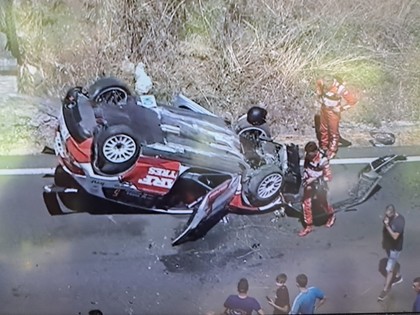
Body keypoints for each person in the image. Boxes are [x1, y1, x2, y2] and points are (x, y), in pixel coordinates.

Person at [315, 76, 358, 159]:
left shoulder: (340, 88)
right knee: (323, 129)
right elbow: (318, 85)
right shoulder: (321, 82)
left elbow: (353, 101)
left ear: (332, 82)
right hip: (324, 109)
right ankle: (324, 147)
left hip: (333, 112)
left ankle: (332, 150)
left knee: (333, 132)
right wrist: (319, 94)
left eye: (327, 85)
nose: (326, 87)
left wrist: (341, 109)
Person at [299, 141, 335, 237]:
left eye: (310, 154)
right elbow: (306, 168)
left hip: (320, 185)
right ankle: (308, 225)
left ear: (315, 151)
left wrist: (314, 178)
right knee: (306, 203)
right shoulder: (307, 157)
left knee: (324, 203)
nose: (308, 156)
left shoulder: (323, 160)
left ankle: (331, 216)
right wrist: (306, 178)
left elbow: (328, 177)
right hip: (309, 184)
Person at [377, 204, 405, 301]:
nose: (386, 216)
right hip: (389, 246)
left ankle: (385, 289)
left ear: (393, 213)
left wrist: (387, 225)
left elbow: (395, 236)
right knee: (392, 263)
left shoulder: (400, 221)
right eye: (386, 214)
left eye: (388, 215)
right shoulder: (388, 217)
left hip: (396, 248)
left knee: (389, 269)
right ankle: (397, 276)